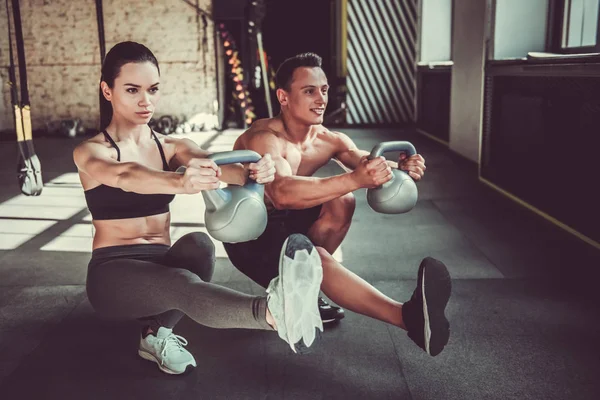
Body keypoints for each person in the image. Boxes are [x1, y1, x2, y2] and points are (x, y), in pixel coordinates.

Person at [73, 42, 324, 375]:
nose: (145, 101)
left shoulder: (171, 146)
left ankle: (154, 333)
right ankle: (272, 314)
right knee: (180, 282)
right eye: (132, 90)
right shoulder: (91, 152)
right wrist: (179, 182)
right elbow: (125, 176)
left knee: (199, 245)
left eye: (153, 89)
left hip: (161, 263)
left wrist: (255, 171)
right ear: (107, 90)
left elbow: (218, 166)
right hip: (112, 274)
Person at [224, 53, 452, 357]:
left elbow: (366, 163)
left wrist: (399, 169)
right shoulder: (264, 139)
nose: (321, 99)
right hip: (251, 236)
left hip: (289, 223)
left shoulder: (329, 139)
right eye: (309, 91)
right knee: (319, 243)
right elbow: (281, 192)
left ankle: (304, 286)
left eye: (324, 90)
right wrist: (357, 179)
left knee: (341, 200)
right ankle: (407, 318)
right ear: (283, 97)